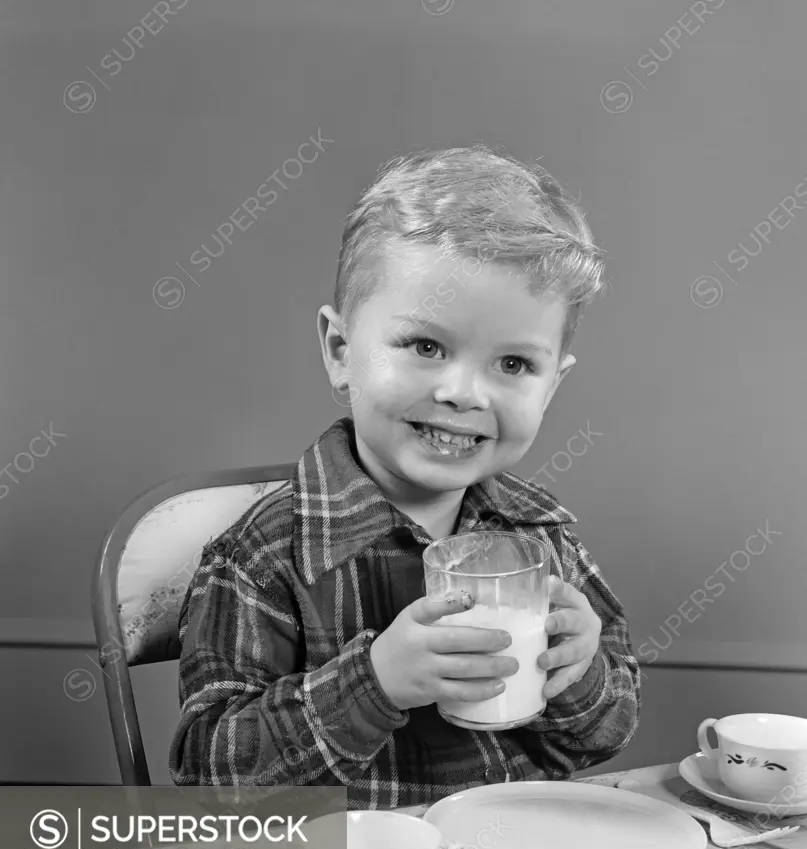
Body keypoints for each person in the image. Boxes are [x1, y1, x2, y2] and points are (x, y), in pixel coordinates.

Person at [170, 143, 640, 807]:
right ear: (341, 352)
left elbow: (601, 736)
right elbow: (209, 778)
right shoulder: (265, 555)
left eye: (512, 365)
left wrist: (581, 674)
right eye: (426, 346)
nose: (462, 393)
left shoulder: (543, 539)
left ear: (551, 385)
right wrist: (374, 683)